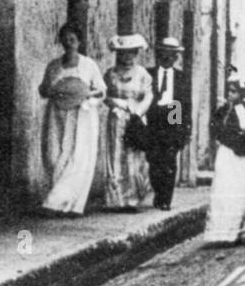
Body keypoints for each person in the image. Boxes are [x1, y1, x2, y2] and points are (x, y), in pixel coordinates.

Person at [38, 23, 106, 216]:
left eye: (73, 39)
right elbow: (43, 89)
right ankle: (58, 200)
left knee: (78, 156)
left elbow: (101, 90)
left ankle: (65, 203)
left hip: (81, 115)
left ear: (79, 41)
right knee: (54, 154)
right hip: (57, 114)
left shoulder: (89, 65)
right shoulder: (53, 66)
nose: (69, 43)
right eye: (65, 39)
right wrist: (51, 90)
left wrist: (85, 96)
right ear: (61, 42)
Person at [202, 76, 245, 246]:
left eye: (234, 92)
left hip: (243, 157)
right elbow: (216, 130)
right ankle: (224, 232)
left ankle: (243, 230)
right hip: (228, 155)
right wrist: (235, 139)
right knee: (225, 190)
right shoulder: (222, 112)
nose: (230, 95)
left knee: (243, 189)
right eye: (229, 91)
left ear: (242, 94)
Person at [103, 33, 152, 211]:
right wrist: (116, 103)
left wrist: (138, 112)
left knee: (135, 157)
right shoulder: (111, 74)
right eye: (124, 53)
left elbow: (148, 96)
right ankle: (116, 200)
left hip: (135, 119)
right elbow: (104, 95)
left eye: (132, 53)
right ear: (118, 54)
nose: (128, 57)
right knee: (116, 156)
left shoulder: (142, 74)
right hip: (117, 117)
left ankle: (133, 199)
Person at [145, 36, 191, 211]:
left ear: (176, 57)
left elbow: (185, 104)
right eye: (164, 53)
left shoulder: (181, 77)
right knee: (154, 160)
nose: (168, 57)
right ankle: (158, 192)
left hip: (173, 113)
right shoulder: (148, 74)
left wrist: (185, 128)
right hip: (154, 118)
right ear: (159, 54)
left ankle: (166, 199)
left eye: (172, 54)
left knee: (170, 160)